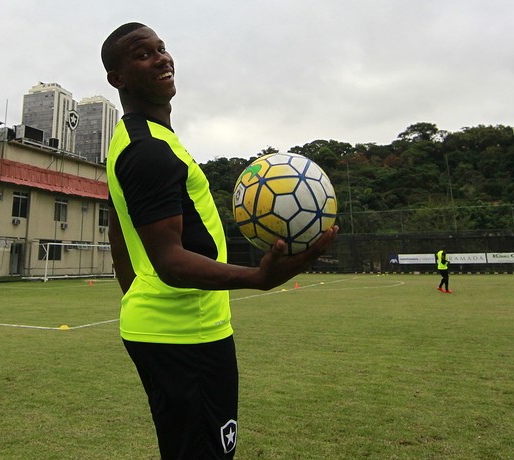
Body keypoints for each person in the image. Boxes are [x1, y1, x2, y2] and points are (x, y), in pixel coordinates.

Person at [101, 22, 337, 459]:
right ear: (117, 78)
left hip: (173, 330)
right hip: (184, 337)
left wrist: (134, 293)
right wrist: (258, 277)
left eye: (162, 49)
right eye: (142, 54)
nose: (161, 58)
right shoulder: (147, 151)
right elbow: (170, 259)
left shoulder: (140, 140)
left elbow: (118, 225)